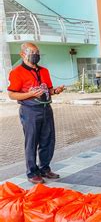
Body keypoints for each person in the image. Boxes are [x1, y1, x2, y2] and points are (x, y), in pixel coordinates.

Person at [7, 43, 65, 184]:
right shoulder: (16, 72)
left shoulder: (44, 71)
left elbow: (48, 90)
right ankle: (32, 172)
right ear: (22, 54)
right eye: (32, 52)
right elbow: (12, 94)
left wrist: (55, 91)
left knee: (48, 140)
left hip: (46, 109)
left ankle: (45, 168)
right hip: (30, 111)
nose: (36, 54)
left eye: (37, 52)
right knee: (32, 142)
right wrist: (29, 94)